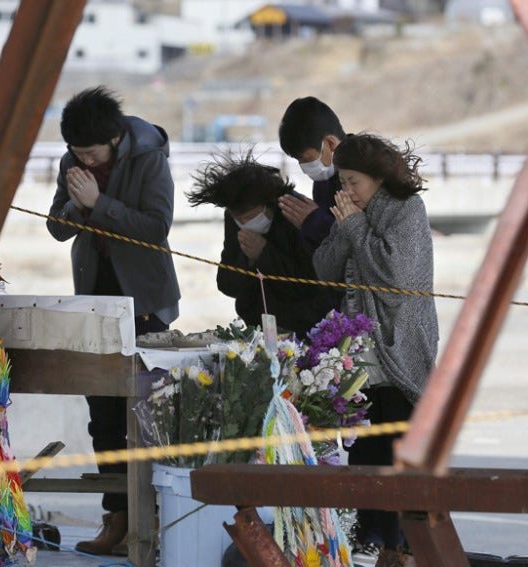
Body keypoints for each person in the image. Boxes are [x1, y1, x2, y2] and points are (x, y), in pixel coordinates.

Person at [46, 86, 181, 557]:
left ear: (117, 138)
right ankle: (115, 520)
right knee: (102, 417)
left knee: (146, 418)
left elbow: (156, 227)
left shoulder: (148, 155)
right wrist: (76, 206)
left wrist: (98, 204)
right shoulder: (71, 162)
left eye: (91, 152)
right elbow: (56, 226)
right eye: (76, 153)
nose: (82, 159)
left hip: (144, 303)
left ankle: (153, 522)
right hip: (94, 303)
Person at [311, 133, 439, 567]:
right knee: (364, 448)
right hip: (357, 352)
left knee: (397, 447)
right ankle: (367, 540)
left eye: (353, 182)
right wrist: (347, 230)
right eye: (342, 182)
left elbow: (395, 275)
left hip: (400, 347)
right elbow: (324, 268)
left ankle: (401, 545)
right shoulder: (352, 212)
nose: (346, 191)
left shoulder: (407, 210)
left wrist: (354, 228)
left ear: (379, 178)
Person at [186, 152, 332, 337]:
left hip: (305, 326)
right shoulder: (236, 217)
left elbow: (308, 283)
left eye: (248, 218)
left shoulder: (295, 212)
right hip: (257, 326)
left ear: (268, 205)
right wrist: (247, 260)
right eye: (238, 219)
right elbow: (227, 284)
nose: (244, 223)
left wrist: (263, 254)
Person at [276, 96, 347, 253]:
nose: (304, 168)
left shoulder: (367, 171)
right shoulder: (323, 181)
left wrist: (315, 222)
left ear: (330, 144)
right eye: (299, 161)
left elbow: (363, 240)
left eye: (307, 159)